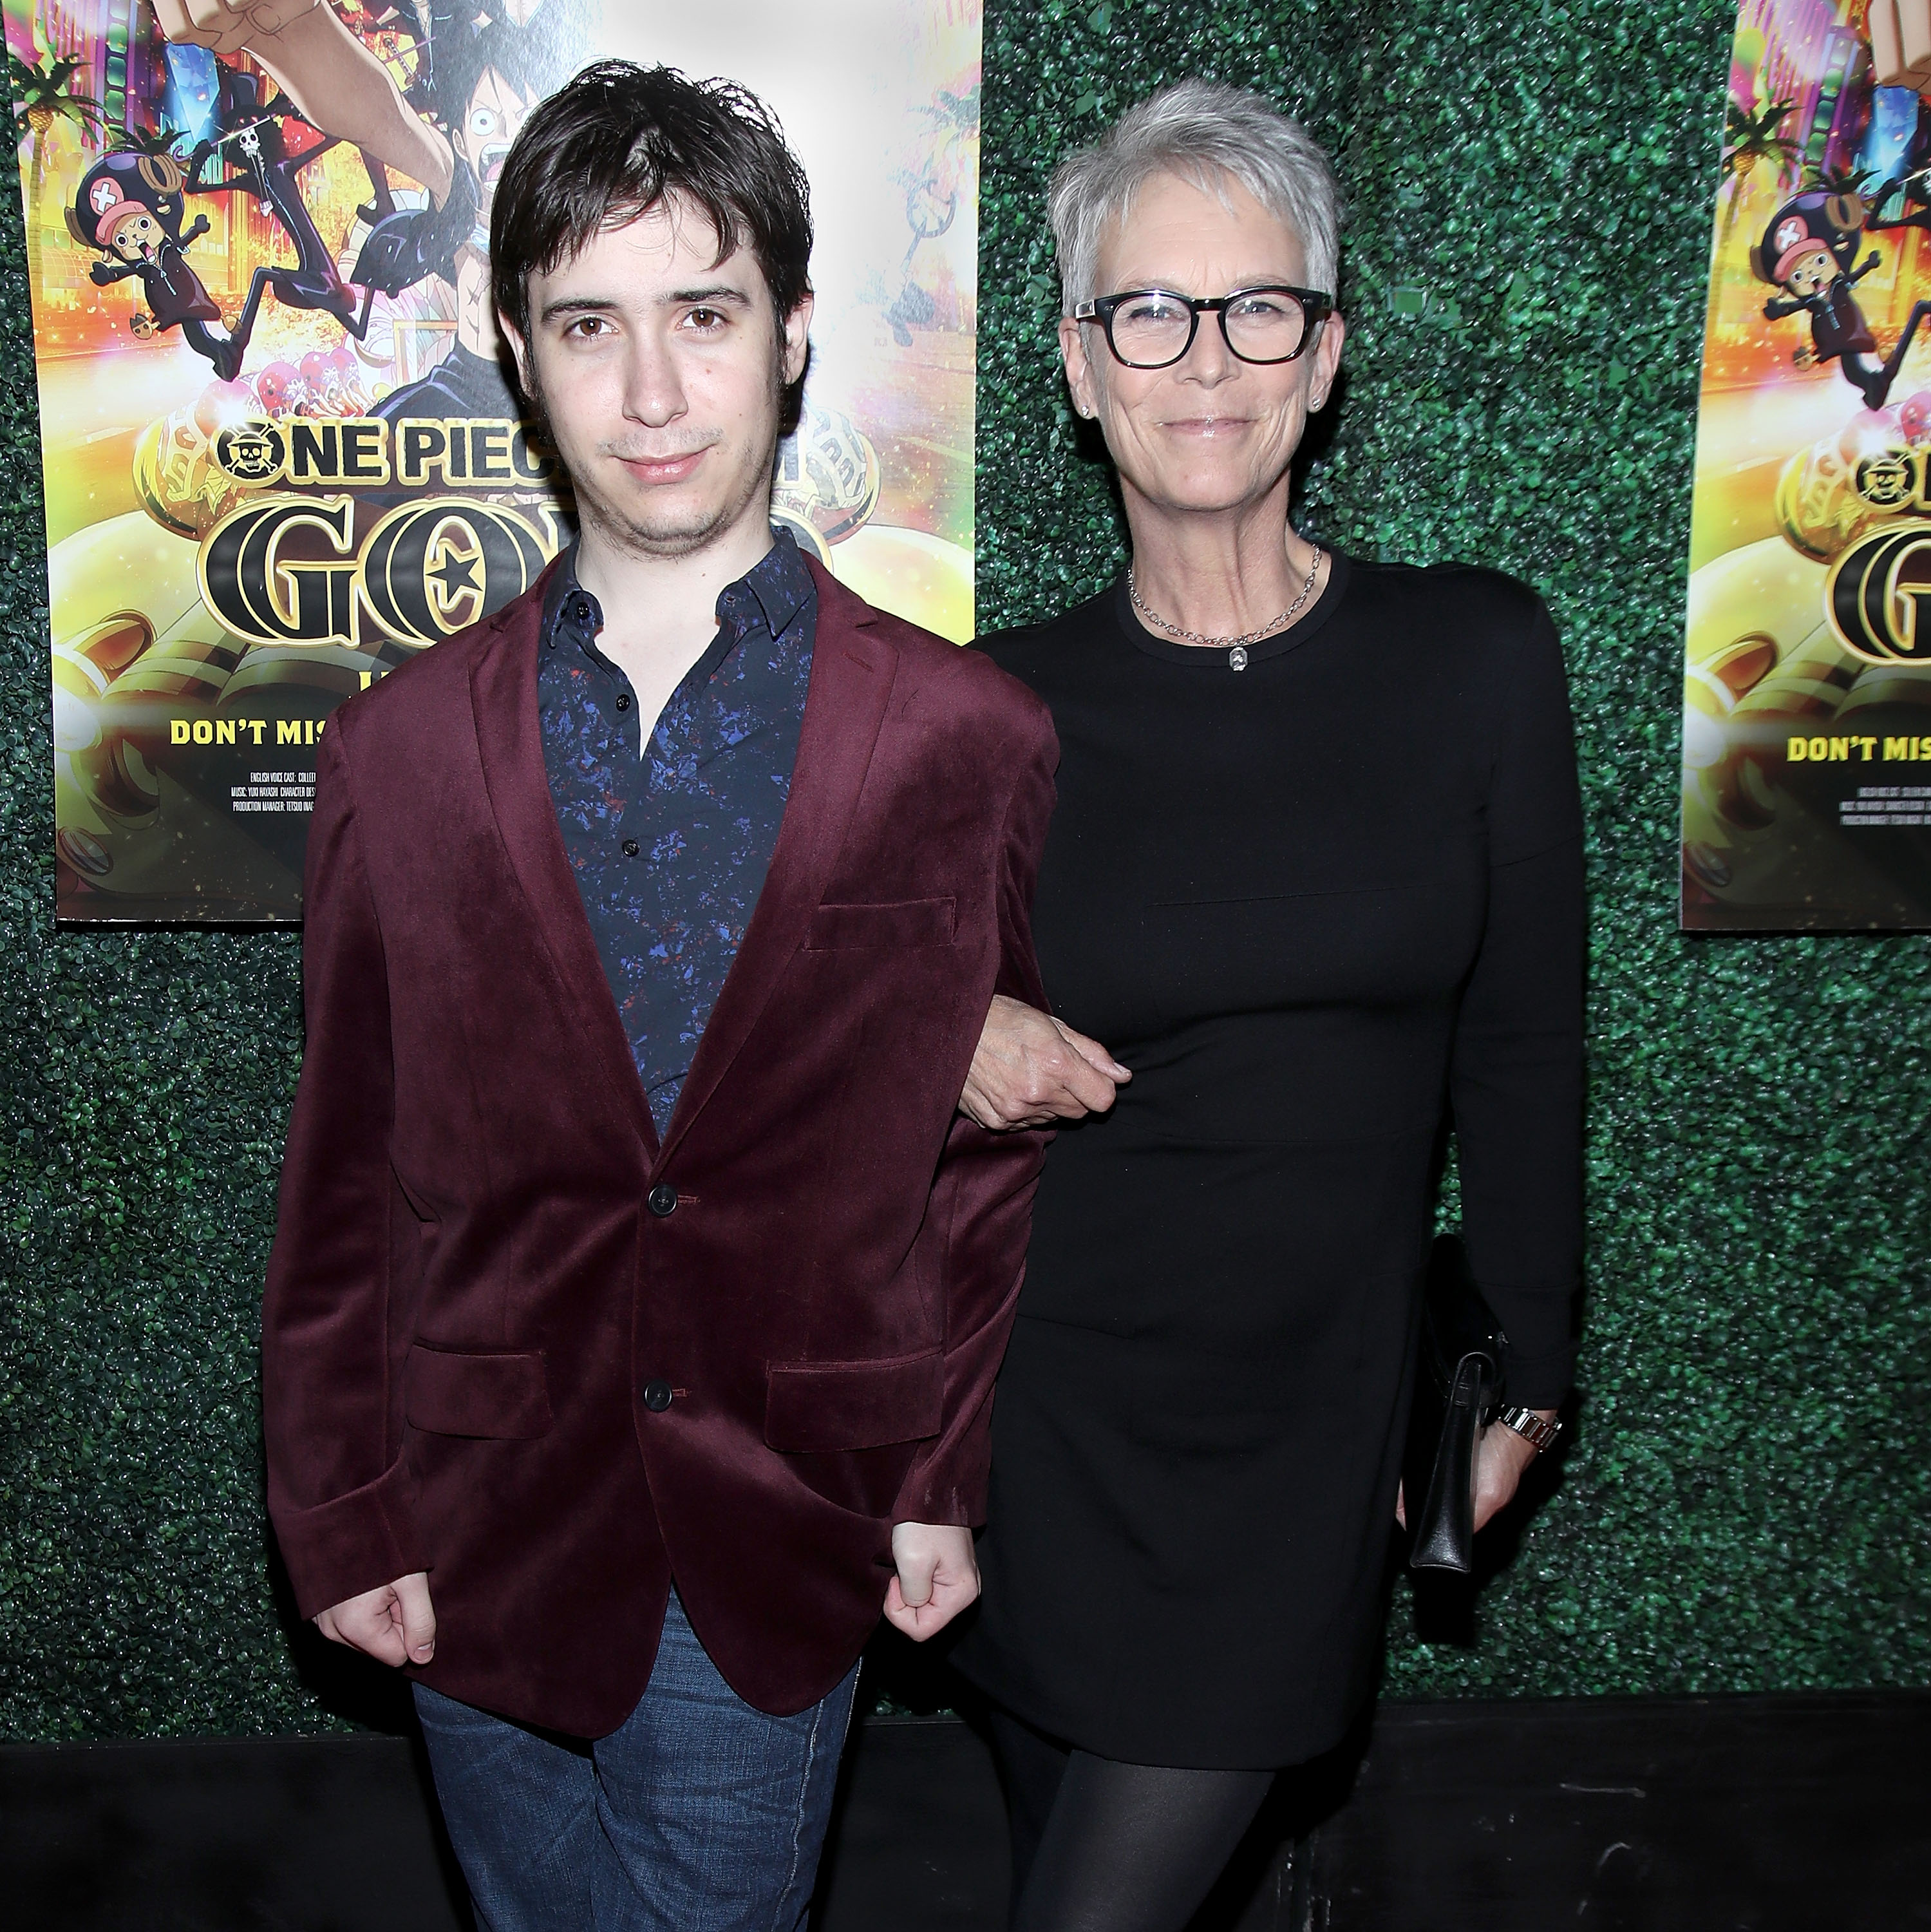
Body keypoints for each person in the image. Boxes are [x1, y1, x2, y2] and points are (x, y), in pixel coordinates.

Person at [258, 61, 1057, 1931]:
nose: (649, 390)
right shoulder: (398, 752)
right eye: (587, 325)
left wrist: (938, 1477)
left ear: (789, 335)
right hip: (469, 1513)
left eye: (701, 316)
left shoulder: (965, 738)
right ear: (519, 358)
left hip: (783, 1507)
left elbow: (978, 1160)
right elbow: (344, 1176)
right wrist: (343, 1506)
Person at [948, 79, 1585, 1932]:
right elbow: (802, 1038)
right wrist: (939, 1030)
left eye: (1258, 310)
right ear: (1081, 366)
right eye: (1147, 310)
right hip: (1040, 1424)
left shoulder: (1479, 656)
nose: (1202, 358)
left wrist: (1528, 1373)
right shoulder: (993, 714)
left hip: (1309, 1433)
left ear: (1322, 358)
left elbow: (1527, 1045)